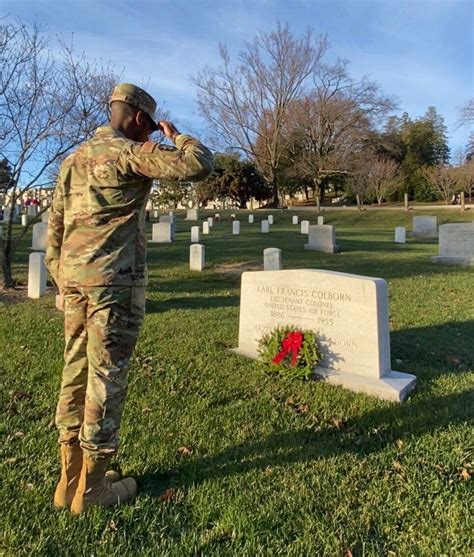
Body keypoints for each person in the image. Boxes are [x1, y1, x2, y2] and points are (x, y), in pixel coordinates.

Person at [45, 83, 213, 514]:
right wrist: (176, 137)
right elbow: (199, 163)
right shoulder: (128, 153)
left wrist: (62, 280)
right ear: (140, 118)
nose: (150, 131)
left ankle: (70, 478)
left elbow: (55, 229)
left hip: (75, 282)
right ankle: (94, 488)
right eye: (150, 124)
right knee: (106, 380)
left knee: (75, 372)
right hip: (113, 287)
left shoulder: (72, 159)